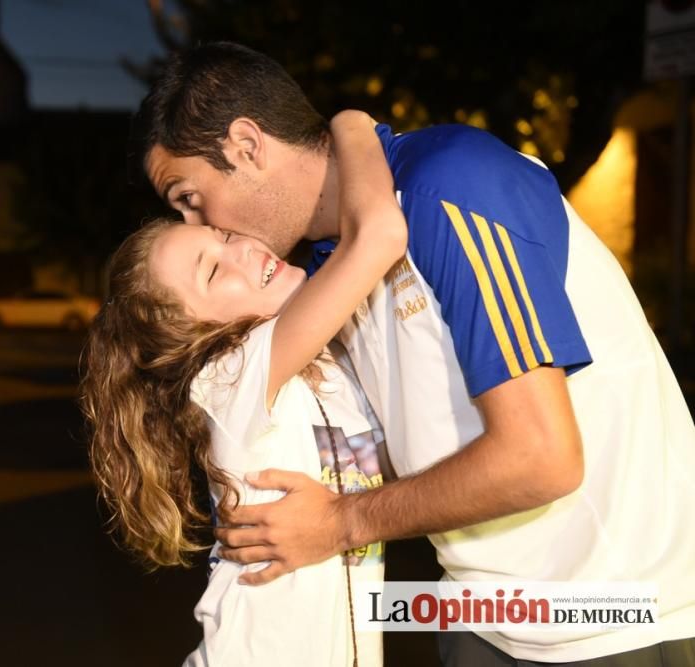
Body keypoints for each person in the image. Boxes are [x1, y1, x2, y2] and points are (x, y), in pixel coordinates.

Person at [134, 42, 695, 665]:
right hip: (478, 618)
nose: (192, 223)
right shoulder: (321, 275)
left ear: (246, 146)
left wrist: (342, 523)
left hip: (607, 620)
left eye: (188, 197)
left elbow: (542, 457)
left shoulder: (451, 187)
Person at [84, 111, 407, 666]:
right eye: (212, 273)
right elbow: (379, 235)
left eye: (225, 236)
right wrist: (351, 124)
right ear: (192, 336)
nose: (245, 250)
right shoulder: (229, 374)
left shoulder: (317, 372)